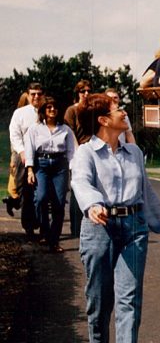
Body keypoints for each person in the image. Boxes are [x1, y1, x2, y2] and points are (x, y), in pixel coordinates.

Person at [71, 92, 160, 343]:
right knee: (100, 296)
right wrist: (92, 205)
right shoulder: (86, 153)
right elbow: (80, 182)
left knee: (129, 299)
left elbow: (145, 192)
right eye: (117, 109)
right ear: (104, 120)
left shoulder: (134, 152)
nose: (123, 111)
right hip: (99, 228)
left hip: (133, 229)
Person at [24, 96, 77, 253]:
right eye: (49, 108)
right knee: (41, 198)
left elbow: (71, 152)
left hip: (60, 166)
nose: (52, 110)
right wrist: (30, 170)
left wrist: (72, 172)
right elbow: (29, 150)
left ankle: (54, 240)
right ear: (43, 111)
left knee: (59, 203)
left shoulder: (65, 130)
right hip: (42, 164)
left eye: (55, 107)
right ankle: (45, 231)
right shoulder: (35, 129)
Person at [8, 84, 45, 239]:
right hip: (23, 155)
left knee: (43, 193)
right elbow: (15, 134)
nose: (36, 97)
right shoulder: (20, 113)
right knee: (27, 193)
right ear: (28, 95)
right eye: (33, 94)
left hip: (42, 156)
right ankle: (28, 226)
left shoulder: (48, 110)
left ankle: (43, 226)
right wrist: (22, 152)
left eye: (39, 94)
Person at [63, 79, 93, 236]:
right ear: (77, 93)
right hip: (77, 152)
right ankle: (76, 227)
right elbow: (70, 133)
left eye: (88, 91)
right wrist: (79, 152)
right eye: (83, 91)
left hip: (93, 150)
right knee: (77, 190)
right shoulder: (71, 111)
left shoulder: (93, 110)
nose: (86, 94)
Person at [5, 92, 29, 216]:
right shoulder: (19, 116)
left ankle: (13, 201)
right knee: (19, 186)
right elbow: (14, 140)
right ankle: (12, 201)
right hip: (19, 155)